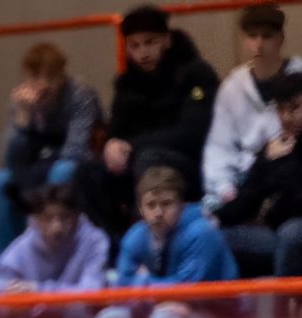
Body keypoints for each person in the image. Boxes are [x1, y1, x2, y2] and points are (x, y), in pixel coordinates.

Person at [211, 72, 302, 280]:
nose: (286, 117)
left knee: (292, 233)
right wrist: (216, 217)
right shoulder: (282, 143)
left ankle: (287, 299)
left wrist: (281, 165)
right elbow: (249, 195)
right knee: (207, 235)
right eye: (280, 110)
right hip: (274, 229)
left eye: (294, 108)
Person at [84, 7, 219, 230]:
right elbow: (117, 129)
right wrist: (111, 145)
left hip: (189, 165)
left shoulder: (196, 74)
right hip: (137, 159)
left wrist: (131, 146)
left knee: (149, 161)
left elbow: (192, 133)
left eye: (150, 42)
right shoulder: (127, 84)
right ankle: (114, 241)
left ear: (167, 40)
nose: (143, 53)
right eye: (134, 46)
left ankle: (150, 240)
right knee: (85, 174)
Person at [93, 166, 240, 318]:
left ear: (181, 205)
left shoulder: (202, 233)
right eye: (151, 205)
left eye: (167, 204)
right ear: (140, 209)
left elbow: (188, 289)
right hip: (157, 311)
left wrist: (143, 282)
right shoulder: (135, 236)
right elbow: (121, 289)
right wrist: (158, 296)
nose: (158, 212)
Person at [201, 5, 302, 210]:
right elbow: (220, 146)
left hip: (294, 175)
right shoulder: (232, 87)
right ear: (244, 40)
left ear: (281, 39)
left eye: (267, 36)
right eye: (252, 36)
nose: (258, 45)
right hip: (245, 179)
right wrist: (224, 188)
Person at [0, 43, 103, 256]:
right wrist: (24, 119)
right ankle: (7, 262)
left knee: (63, 171)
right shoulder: (21, 102)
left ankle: (63, 252)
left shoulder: (80, 95)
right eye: (36, 77)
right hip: (35, 169)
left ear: (62, 75)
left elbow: (76, 151)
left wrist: (33, 171)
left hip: (78, 167)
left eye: (51, 77)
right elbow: (8, 159)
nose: (43, 85)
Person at [0, 183, 110, 293]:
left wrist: (38, 290)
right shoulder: (21, 249)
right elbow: (0, 291)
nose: (57, 227)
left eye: (64, 217)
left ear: (76, 216)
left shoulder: (95, 241)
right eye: (47, 218)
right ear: (35, 220)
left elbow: (92, 290)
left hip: (81, 310)